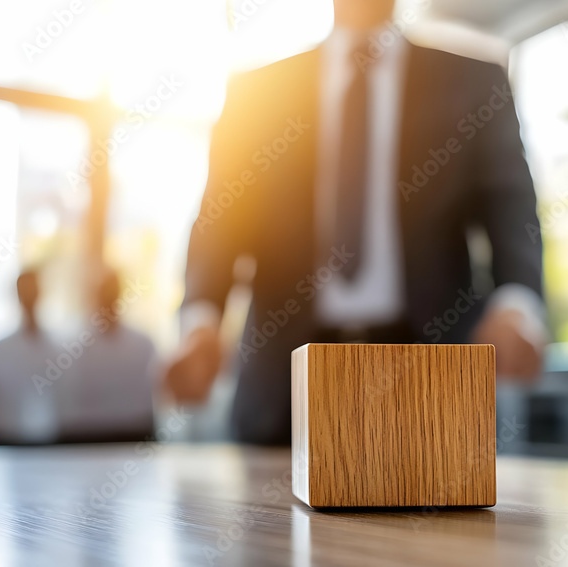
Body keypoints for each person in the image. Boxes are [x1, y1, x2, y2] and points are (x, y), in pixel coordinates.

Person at [165, 0, 548, 444]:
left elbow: (511, 207)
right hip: (284, 381)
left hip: (429, 375)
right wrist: (201, 322)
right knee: (269, 513)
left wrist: (516, 307)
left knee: (442, 510)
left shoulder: (473, 82)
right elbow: (222, 219)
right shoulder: (258, 93)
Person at [60, 266, 157, 443]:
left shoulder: (143, 345)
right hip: (87, 438)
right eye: (103, 291)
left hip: (132, 438)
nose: (108, 298)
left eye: (111, 291)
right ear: (95, 295)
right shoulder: (76, 348)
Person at [0, 268, 61, 444]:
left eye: (33, 290)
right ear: (16, 295)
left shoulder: (59, 348)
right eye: (24, 291)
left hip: (53, 444)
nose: (29, 296)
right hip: (8, 443)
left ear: (41, 292)